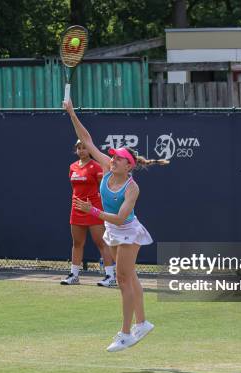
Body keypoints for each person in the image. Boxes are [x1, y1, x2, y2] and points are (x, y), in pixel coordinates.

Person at [64, 99, 167, 352]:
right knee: (130, 276)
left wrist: (94, 211)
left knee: (122, 279)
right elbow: (87, 140)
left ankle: (125, 333)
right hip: (112, 230)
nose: (112, 160)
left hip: (127, 231)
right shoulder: (106, 169)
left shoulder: (132, 188)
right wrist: (72, 112)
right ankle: (141, 323)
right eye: (112, 158)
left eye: (118, 159)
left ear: (129, 165)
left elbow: (121, 218)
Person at [62, 140, 116, 287]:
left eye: (84, 148)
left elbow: (104, 187)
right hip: (76, 208)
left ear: (90, 150)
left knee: (101, 242)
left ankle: (110, 276)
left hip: (93, 209)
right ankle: (74, 275)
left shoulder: (97, 166)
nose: (81, 150)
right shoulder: (72, 167)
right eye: (78, 148)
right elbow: (75, 188)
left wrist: (97, 205)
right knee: (77, 243)